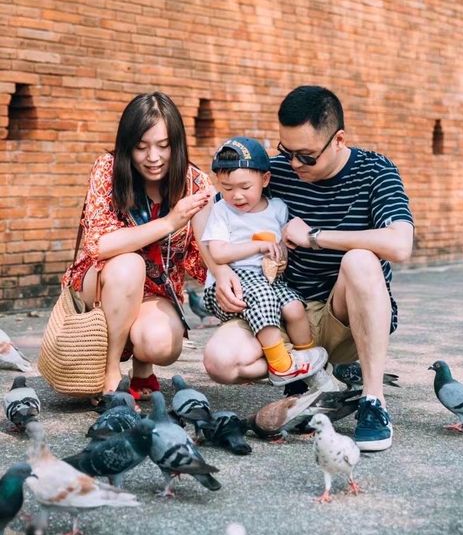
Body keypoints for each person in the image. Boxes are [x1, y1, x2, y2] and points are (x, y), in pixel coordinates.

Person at [203, 86, 414, 451]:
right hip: (281, 308)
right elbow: (206, 209)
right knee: (220, 362)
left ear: (338, 140)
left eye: (306, 156)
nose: (295, 165)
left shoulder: (375, 171)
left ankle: (373, 400)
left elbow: (399, 244)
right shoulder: (277, 171)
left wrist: (315, 236)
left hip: (343, 315)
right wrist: (221, 272)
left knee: (360, 259)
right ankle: (308, 369)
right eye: (287, 152)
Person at [63, 92, 213, 399]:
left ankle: (143, 370)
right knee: (129, 263)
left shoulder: (194, 183)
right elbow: (101, 245)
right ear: (127, 145)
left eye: (163, 145)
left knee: (161, 343)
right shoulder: (108, 169)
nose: (153, 157)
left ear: (177, 143)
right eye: (141, 147)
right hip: (103, 281)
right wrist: (170, 222)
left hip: (155, 291)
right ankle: (110, 374)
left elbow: (203, 261)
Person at [200, 136, 328, 385]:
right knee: (264, 297)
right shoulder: (221, 212)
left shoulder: (278, 208)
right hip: (234, 281)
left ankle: (306, 359)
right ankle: (282, 365)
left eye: (245, 187)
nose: (236, 196)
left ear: (265, 179)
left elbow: (281, 246)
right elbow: (218, 253)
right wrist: (258, 245)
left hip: (268, 278)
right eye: (226, 188)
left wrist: (281, 254)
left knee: (294, 307)